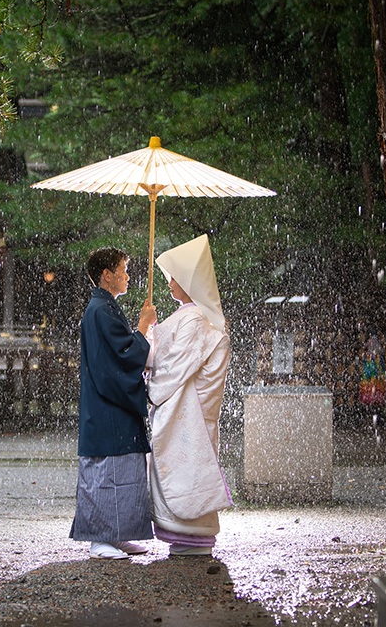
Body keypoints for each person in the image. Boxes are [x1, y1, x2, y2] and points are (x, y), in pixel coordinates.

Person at [146, 235, 233, 557]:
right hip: (192, 407)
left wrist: (148, 344)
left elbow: (172, 366)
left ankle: (190, 535)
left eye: (175, 277)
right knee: (193, 466)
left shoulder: (195, 318)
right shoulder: (198, 316)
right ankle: (190, 534)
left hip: (187, 408)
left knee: (189, 468)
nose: (169, 283)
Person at [70, 247, 157, 560]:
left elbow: (122, 354)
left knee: (123, 470)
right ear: (107, 275)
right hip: (106, 404)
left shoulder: (103, 308)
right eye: (123, 269)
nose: (128, 275)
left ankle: (117, 534)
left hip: (110, 403)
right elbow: (123, 356)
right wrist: (144, 326)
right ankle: (99, 539)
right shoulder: (101, 310)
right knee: (105, 473)